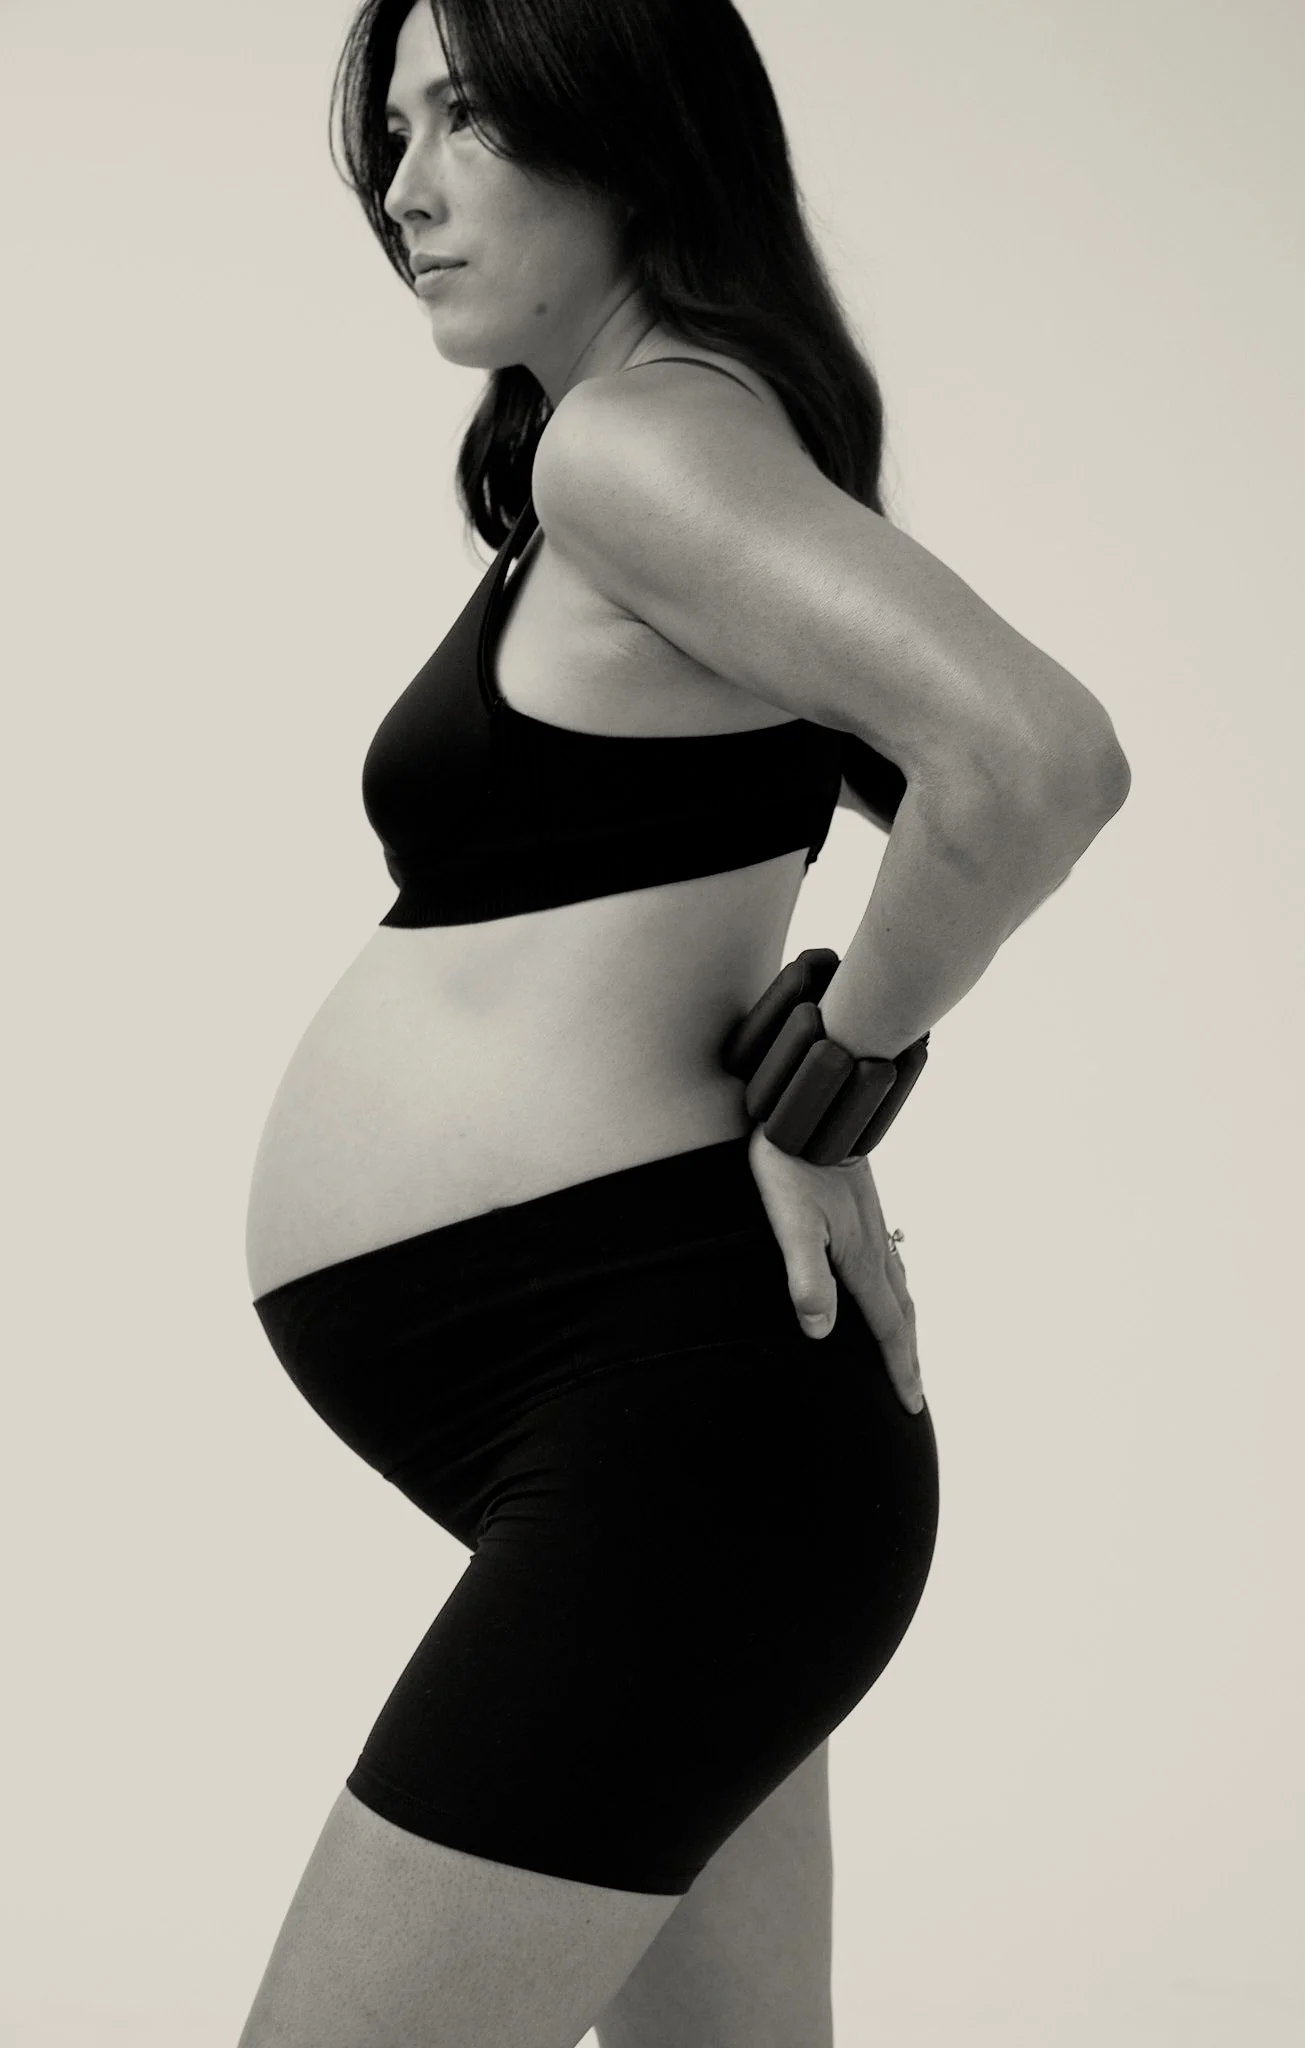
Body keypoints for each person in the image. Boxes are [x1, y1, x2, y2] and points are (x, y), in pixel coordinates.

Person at [237, 1, 1131, 2042]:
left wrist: (842, 1075)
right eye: (385, 134)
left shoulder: (638, 439)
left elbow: (1029, 758)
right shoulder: (652, 449)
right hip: (678, 1448)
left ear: (623, 131)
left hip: (676, 1451)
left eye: (464, 118)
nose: (404, 186)